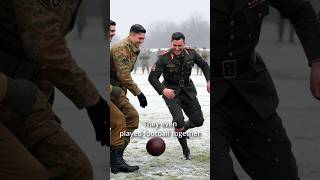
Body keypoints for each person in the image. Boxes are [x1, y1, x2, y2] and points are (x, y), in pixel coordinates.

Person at [0, 1, 109, 179]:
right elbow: (45, 45)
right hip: (11, 92)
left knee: (71, 169)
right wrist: (93, 101)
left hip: (24, 92)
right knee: (65, 170)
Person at [213, 0, 320, 179]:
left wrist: (317, 60)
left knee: (281, 173)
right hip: (204, 94)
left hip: (249, 91)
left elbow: (300, 8)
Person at [148, 32, 210, 160]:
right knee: (178, 121)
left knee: (198, 121)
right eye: (174, 45)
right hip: (171, 92)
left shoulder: (192, 53)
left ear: (184, 43)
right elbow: (152, 77)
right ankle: (185, 150)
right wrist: (163, 89)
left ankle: (183, 129)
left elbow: (204, 65)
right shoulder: (164, 58)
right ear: (171, 43)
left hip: (188, 91)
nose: (177, 48)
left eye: (180, 45)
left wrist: (209, 80)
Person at [110, 24, 148, 170]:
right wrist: (139, 94)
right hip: (111, 89)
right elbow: (123, 75)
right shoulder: (121, 48)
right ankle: (115, 159)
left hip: (119, 89)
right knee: (119, 120)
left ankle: (115, 155)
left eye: (143, 38)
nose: (141, 41)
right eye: (139, 38)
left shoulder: (133, 48)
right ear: (131, 35)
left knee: (132, 117)